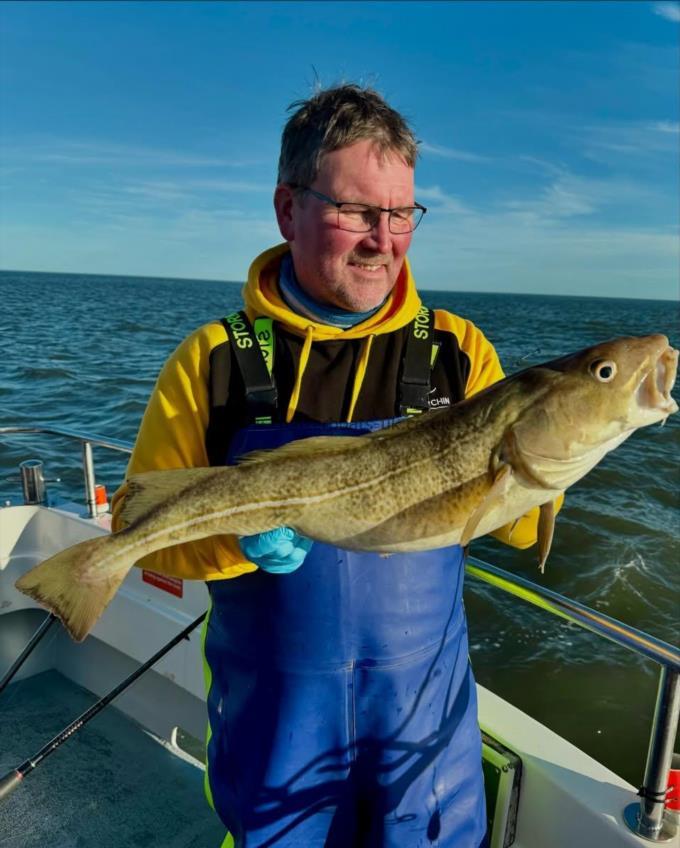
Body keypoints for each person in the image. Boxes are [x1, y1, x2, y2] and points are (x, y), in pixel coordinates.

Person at [112, 84, 555, 848]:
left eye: (401, 214)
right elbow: (138, 525)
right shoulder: (214, 362)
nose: (383, 238)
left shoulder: (459, 352)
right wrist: (237, 542)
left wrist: (560, 458)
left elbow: (515, 529)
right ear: (288, 209)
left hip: (425, 730)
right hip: (275, 728)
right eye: (357, 211)